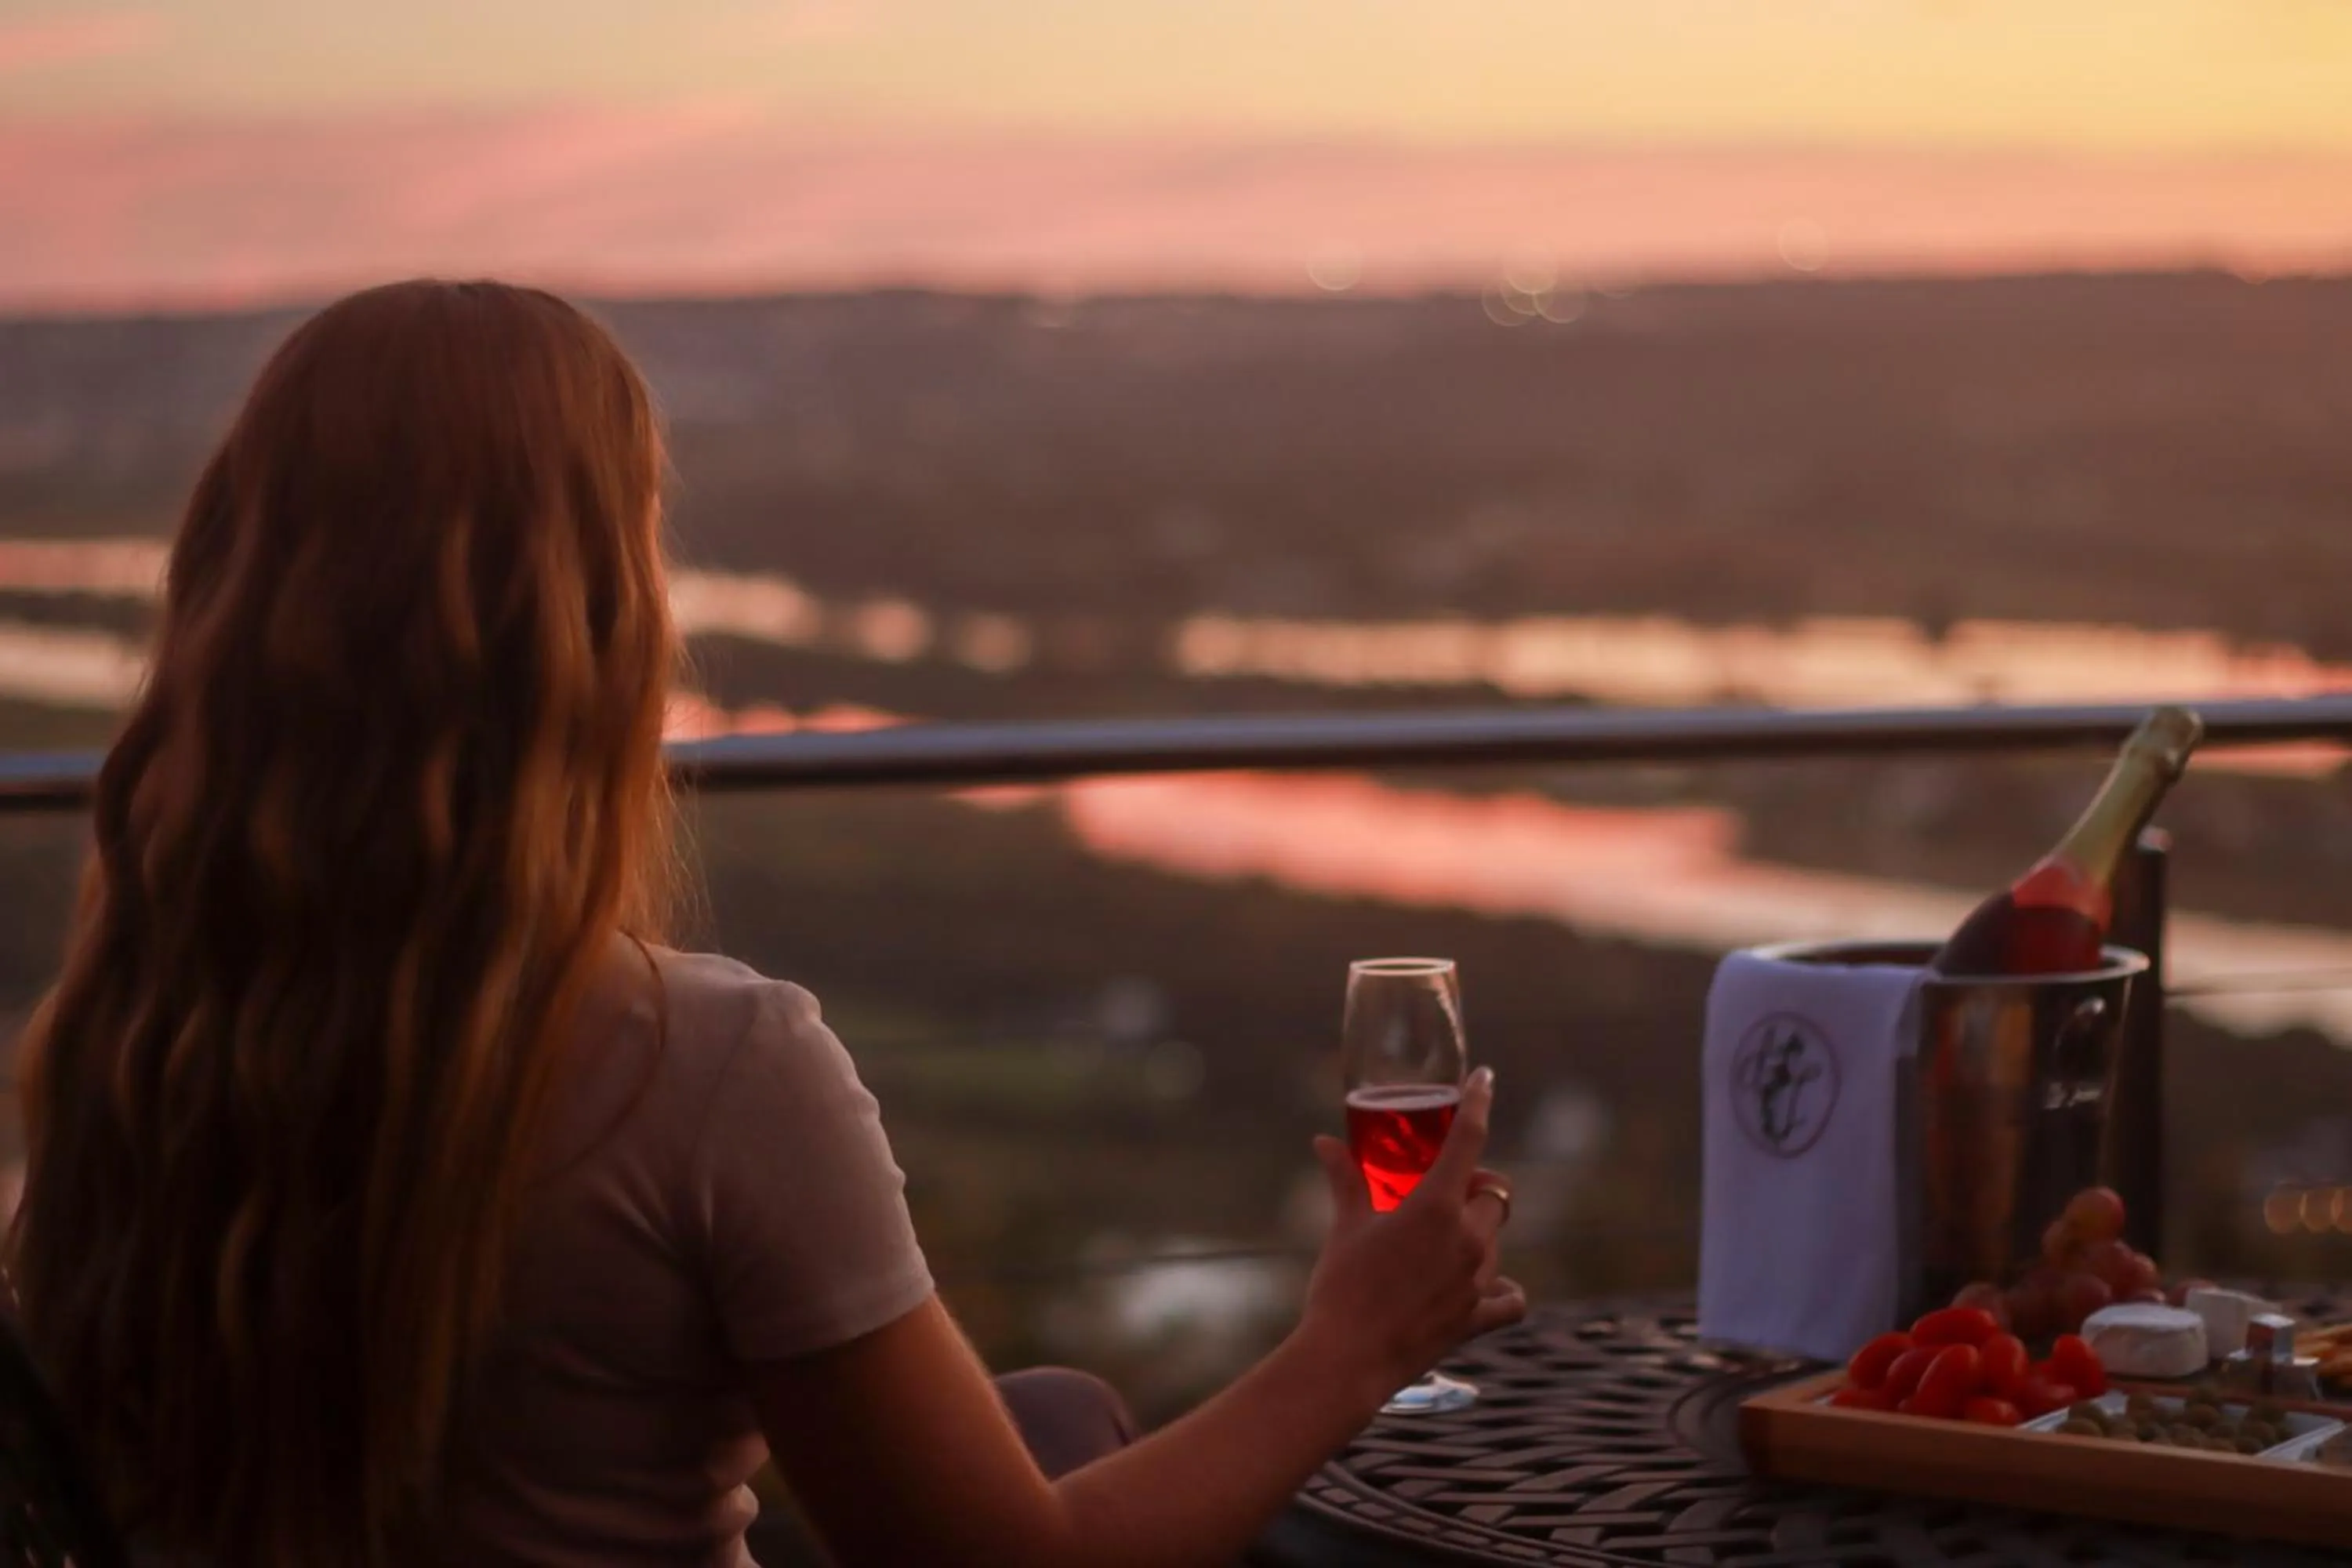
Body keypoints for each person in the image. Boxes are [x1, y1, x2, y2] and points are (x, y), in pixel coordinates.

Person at [5, 280, 1525, 1568]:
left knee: (1050, 1407)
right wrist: (1356, 1340)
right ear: (595, 625)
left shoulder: (131, 1051)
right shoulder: (710, 1068)